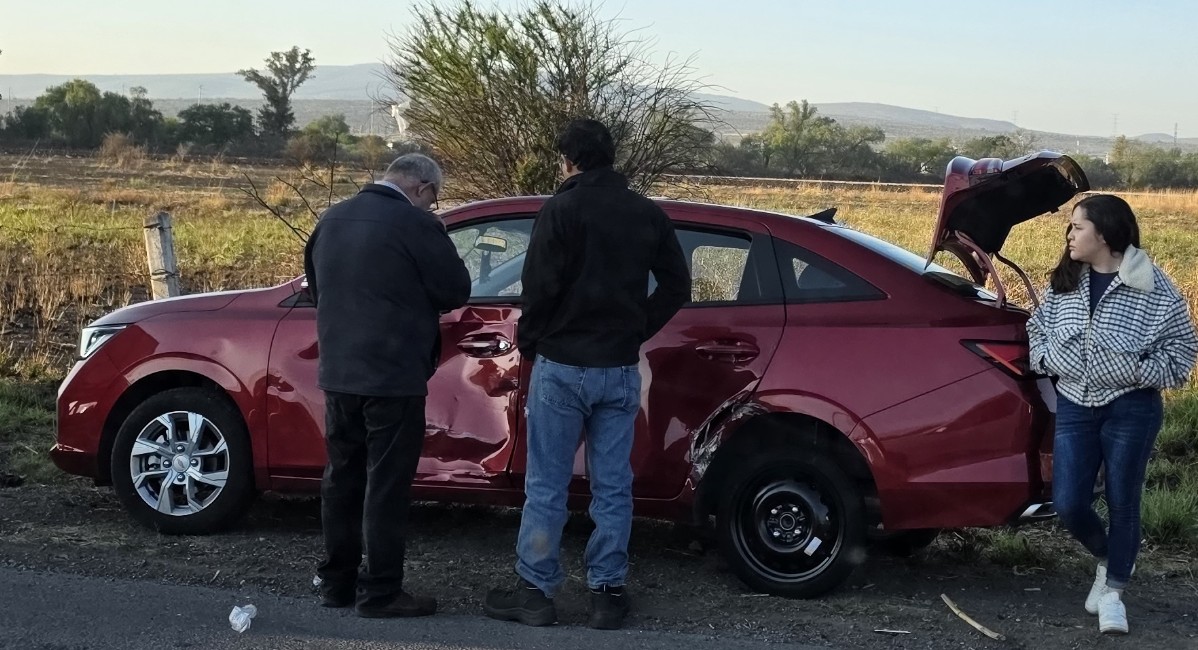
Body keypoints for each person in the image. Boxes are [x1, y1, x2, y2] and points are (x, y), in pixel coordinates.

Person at [483, 119, 691, 630]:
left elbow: (539, 287)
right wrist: (636, 328)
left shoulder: (562, 208)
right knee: (614, 485)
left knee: (548, 484)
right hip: (618, 367)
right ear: (610, 156)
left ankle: (535, 591)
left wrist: (532, 341)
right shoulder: (647, 214)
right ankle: (607, 593)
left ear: (569, 161)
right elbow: (676, 285)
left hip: (562, 365)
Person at [303, 153, 471, 618]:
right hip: (393, 376)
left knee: (341, 477)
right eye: (434, 198)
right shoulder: (415, 225)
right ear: (421, 187)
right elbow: (456, 289)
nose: (433, 207)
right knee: (386, 484)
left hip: (338, 375)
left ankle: (336, 582)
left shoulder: (332, 219)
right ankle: (380, 591)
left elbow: (317, 291)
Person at [1027, 194, 1197, 635]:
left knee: (1124, 500)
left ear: (1103, 233)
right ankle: (1109, 559)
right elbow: (1037, 327)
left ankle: (1114, 593)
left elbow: (1183, 350)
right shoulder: (1065, 281)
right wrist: (1046, 358)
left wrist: (1138, 371)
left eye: (1077, 227)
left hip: (1131, 408)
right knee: (1067, 502)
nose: (1069, 234)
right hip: (1075, 404)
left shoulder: (1153, 287)